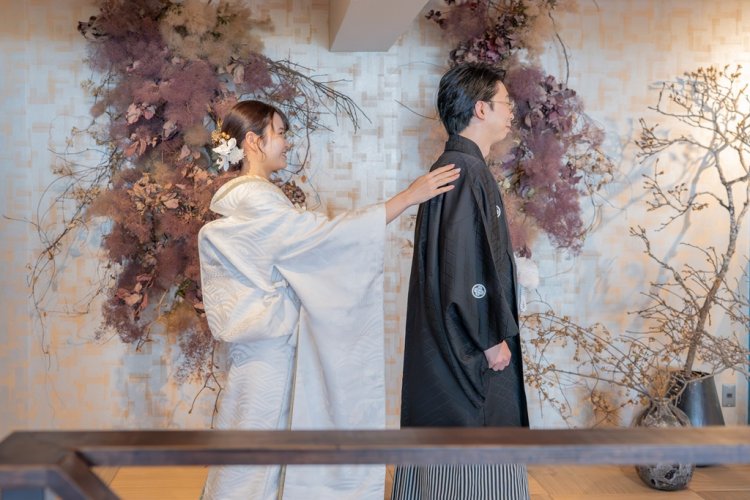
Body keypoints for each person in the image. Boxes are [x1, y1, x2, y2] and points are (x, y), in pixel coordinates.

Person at [198, 100, 459, 500]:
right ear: (253, 141)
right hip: (271, 352)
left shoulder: (248, 200)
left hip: (258, 350)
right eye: (280, 133)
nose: (286, 143)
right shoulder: (257, 200)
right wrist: (407, 197)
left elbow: (312, 242)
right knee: (259, 453)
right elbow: (326, 238)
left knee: (250, 447)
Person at [393, 63, 530, 499]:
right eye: (506, 103)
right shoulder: (464, 171)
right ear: (481, 108)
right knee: (474, 446)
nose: (512, 112)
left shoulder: (459, 167)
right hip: (468, 348)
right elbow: (464, 266)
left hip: (451, 339)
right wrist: (489, 338)